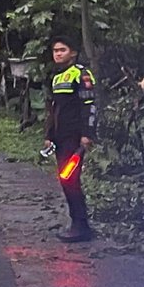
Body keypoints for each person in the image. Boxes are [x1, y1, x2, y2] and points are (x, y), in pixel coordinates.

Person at [42, 35, 96, 242]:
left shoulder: (81, 75)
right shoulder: (57, 78)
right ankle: (77, 223)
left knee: (70, 179)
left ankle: (81, 226)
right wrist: (49, 136)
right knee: (66, 181)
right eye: (55, 50)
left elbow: (89, 106)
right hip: (61, 138)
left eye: (62, 50)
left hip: (75, 138)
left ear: (72, 52)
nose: (58, 54)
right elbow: (54, 110)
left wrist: (87, 134)